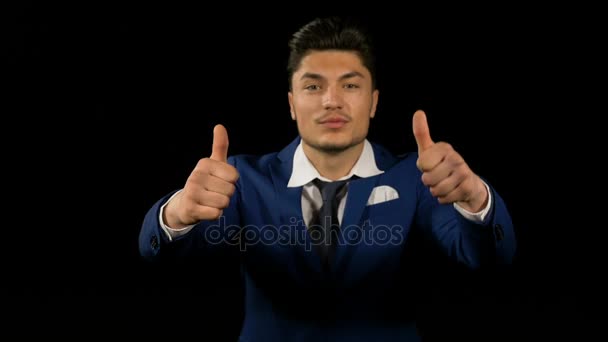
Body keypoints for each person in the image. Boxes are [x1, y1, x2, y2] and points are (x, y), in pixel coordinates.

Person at [139, 16, 516, 341]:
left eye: (350, 85)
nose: (331, 101)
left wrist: (474, 201)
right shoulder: (241, 179)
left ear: (373, 102)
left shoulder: (416, 177)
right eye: (313, 86)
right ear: (291, 103)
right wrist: (176, 215)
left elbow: (486, 259)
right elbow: (165, 257)